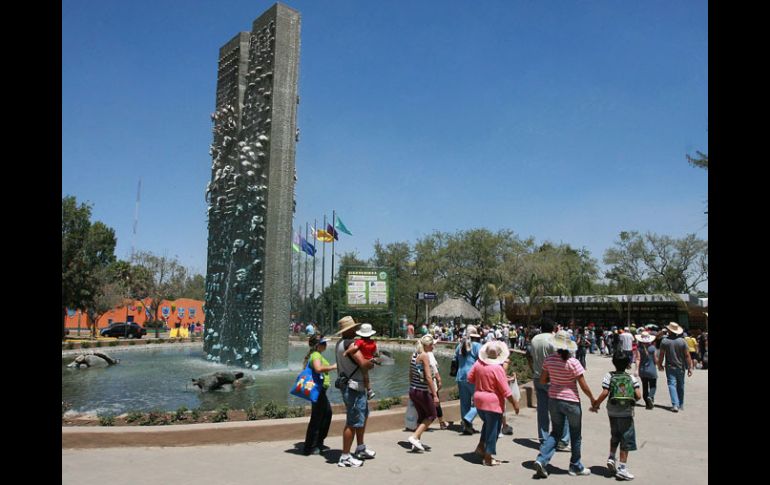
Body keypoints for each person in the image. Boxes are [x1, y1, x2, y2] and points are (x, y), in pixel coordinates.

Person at [533, 330, 598, 478]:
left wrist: (555, 382)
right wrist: (593, 400)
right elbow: (583, 385)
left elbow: (543, 380)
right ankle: (575, 466)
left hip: (554, 399)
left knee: (555, 432)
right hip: (571, 401)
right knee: (575, 435)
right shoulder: (574, 362)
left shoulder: (549, 360)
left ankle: (541, 459)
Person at [590, 351, 642, 480]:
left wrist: (595, 404)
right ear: (628, 364)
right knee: (626, 438)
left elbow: (604, 393)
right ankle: (622, 468)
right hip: (626, 413)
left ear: (613, 362)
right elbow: (639, 396)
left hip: (612, 411)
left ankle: (612, 457)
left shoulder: (609, 376)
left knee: (615, 434)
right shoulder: (631, 378)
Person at [467, 341, 520, 466]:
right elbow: (505, 390)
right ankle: (488, 457)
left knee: (487, 425)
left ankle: (481, 447)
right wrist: (515, 403)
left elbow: (470, 377)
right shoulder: (497, 368)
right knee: (494, 430)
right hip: (493, 403)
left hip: (479, 400)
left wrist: (482, 382)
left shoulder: (478, 364)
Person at [334, 316, 376, 467]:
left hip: (351, 385)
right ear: (350, 329)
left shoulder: (339, 343)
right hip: (353, 387)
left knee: (361, 417)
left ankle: (360, 448)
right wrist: (377, 361)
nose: (356, 331)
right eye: (354, 328)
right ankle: (345, 457)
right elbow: (364, 364)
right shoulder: (350, 344)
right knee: (352, 422)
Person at [526, 319, 570, 449]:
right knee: (562, 410)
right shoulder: (554, 339)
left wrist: (533, 369)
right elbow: (562, 358)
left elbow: (528, 355)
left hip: (538, 377)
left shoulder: (534, 340)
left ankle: (544, 438)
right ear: (554, 328)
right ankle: (562, 439)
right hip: (553, 378)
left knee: (542, 410)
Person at [302, 334, 337, 455]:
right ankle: (311, 446)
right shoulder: (316, 355)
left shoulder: (317, 354)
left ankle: (317, 442)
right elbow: (317, 369)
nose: (325, 345)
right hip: (318, 389)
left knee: (326, 414)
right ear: (318, 345)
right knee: (318, 417)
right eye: (323, 343)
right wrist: (332, 367)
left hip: (320, 389)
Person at [407, 334, 440, 452]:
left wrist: (412, 386)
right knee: (432, 415)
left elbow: (410, 374)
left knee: (421, 416)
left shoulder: (414, 355)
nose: (433, 347)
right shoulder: (424, 356)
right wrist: (435, 395)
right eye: (432, 345)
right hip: (422, 391)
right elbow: (428, 377)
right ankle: (414, 437)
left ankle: (416, 443)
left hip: (413, 390)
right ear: (427, 345)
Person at [657, 322, 693, 412]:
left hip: (670, 367)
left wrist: (659, 364)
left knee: (671, 385)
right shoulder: (682, 341)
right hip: (681, 367)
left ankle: (675, 404)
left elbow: (661, 355)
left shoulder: (665, 341)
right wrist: (690, 367)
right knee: (681, 385)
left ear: (669, 330)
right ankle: (681, 404)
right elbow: (687, 355)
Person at [454, 325, 483, 435]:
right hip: (473, 377)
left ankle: (466, 426)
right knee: (479, 401)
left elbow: (455, 358)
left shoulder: (460, 346)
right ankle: (468, 417)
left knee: (464, 402)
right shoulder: (477, 346)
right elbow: (483, 359)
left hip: (461, 376)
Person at [343, 323, 380, 400]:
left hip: (364, 360)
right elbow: (374, 353)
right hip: (370, 360)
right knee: (366, 376)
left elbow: (355, 348)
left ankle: (369, 391)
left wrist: (346, 352)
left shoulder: (360, 341)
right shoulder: (373, 342)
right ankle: (369, 391)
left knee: (365, 376)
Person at [426, 341, 448, 429]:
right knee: (436, 401)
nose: (434, 346)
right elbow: (434, 367)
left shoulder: (420, 352)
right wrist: (439, 379)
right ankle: (441, 422)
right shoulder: (429, 354)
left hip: (423, 382)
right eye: (432, 344)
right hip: (431, 381)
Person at [634, 331, 658, 409]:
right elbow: (655, 360)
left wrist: (636, 370)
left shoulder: (639, 348)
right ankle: (650, 397)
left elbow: (638, 359)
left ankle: (647, 403)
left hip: (642, 370)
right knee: (653, 386)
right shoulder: (653, 348)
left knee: (645, 386)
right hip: (652, 370)